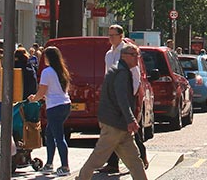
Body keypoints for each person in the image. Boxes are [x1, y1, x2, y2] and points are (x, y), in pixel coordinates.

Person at [76, 43, 147, 180]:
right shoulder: (121, 73)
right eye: (134, 55)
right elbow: (122, 98)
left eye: (137, 55)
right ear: (125, 56)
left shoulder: (120, 70)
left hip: (120, 125)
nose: (137, 58)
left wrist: (128, 120)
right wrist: (131, 119)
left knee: (134, 160)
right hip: (114, 124)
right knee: (98, 158)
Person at [29, 46, 72, 176]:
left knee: (58, 136)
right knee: (50, 133)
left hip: (54, 106)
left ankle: (65, 166)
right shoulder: (62, 71)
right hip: (65, 104)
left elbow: (42, 91)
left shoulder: (47, 72)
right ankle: (49, 164)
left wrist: (33, 98)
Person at [98, 24, 127, 174]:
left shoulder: (127, 51)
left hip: (123, 95)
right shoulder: (108, 54)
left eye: (113, 35)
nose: (110, 38)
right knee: (113, 129)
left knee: (127, 128)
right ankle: (113, 163)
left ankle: (141, 156)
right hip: (111, 96)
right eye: (109, 35)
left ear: (121, 36)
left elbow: (134, 74)